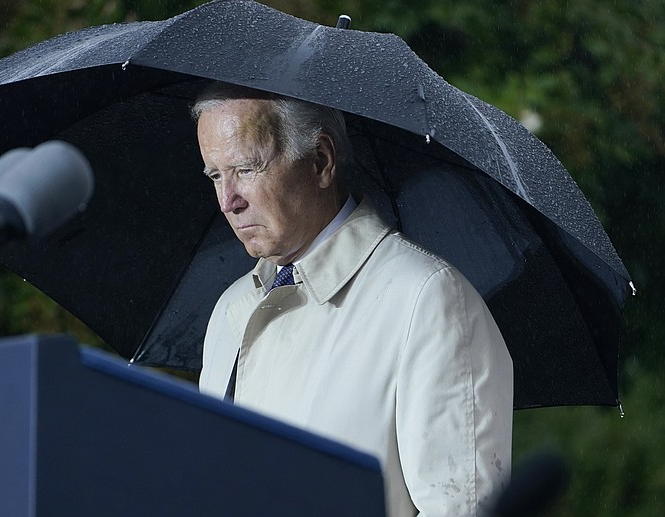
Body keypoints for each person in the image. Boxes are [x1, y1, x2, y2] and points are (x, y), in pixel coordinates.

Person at [191, 82, 513, 517]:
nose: (228, 201)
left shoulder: (426, 299)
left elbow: (462, 508)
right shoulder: (230, 312)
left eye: (246, 169)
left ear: (321, 160)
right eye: (215, 175)